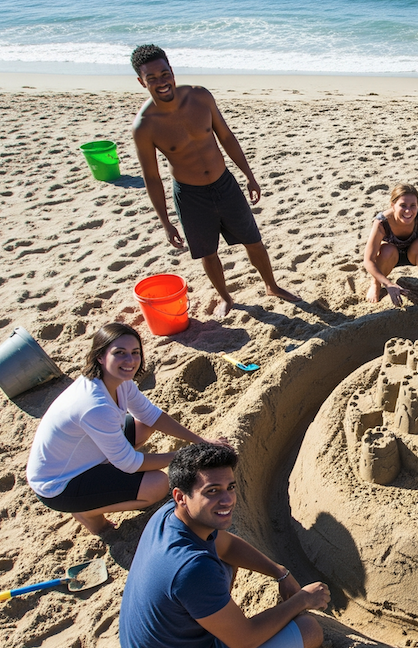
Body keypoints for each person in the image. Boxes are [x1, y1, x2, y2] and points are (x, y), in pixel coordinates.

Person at [120, 443, 330, 648]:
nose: (228, 500)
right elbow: (246, 640)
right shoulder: (191, 569)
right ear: (180, 496)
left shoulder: (168, 516)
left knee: (225, 563)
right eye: (212, 492)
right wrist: (303, 599)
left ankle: (218, 636)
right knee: (309, 631)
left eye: (230, 487)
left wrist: (281, 572)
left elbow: (227, 547)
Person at [130, 44, 298, 318]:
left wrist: (249, 176)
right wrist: (165, 221)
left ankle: (272, 285)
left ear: (172, 71)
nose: (161, 82)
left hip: (225, 184)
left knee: (253, 241)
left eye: (164, 74)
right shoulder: (145, 125)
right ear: (141, 82)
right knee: (208, 254)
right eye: (152, 79)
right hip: (190, 196)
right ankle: (226, 298)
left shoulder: (200, 97)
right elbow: (152, 177)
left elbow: (226, 136)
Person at [27, 322, 219, 536]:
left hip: (76, 457)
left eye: (135, 352)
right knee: (158, 484)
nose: (130, 361)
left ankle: (101, 478)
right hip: (59, 484)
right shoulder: (95, 406)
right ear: (100, 356)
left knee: (143, 425)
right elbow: (129, 463)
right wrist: (187, 456)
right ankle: (87, 512)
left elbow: (151, 415)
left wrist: (199, 441)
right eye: (120, 353)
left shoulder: (117, 379)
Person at [363, 183, 418, 306]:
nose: (408, 210)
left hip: (415, 253)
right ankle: (376, 283)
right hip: (391, 257)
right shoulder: (382, 222)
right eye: (403, 205)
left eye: (413, 205)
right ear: (393, 206)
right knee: (386, 250)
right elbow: (368, 260)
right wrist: (389, 284)